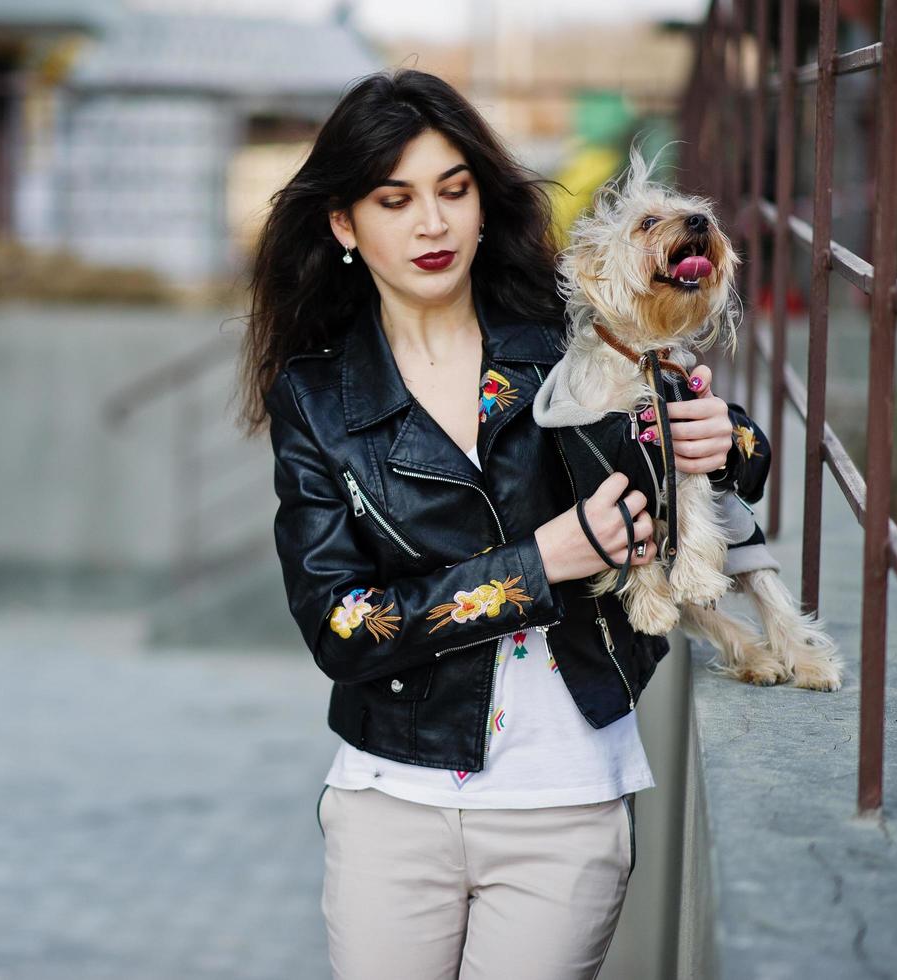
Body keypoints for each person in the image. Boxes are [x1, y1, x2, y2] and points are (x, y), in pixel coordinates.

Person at [235, 69, 771, 980]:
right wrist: (543, 562)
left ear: (483, 202)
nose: (431, 224)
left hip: (566, 801)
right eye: (394, 199)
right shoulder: (318, 398)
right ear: (344, 225)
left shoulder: (566, 336)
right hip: (388, 805)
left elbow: (720, 449)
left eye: (453, 190)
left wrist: (731, 439)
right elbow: (340, 623)